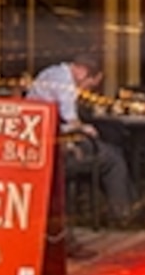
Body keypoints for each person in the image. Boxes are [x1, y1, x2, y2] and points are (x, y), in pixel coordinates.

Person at [29, 51, 133, 222]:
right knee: (114, 159)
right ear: (83, 72)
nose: (86, 90)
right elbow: (71, 121)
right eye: (89, 85)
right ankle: (122, 215)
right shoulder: (65, 83)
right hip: (56, 151)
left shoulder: (51, 72)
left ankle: (98, 207)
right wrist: (85, 128)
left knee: (106, 151)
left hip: (39, 144)